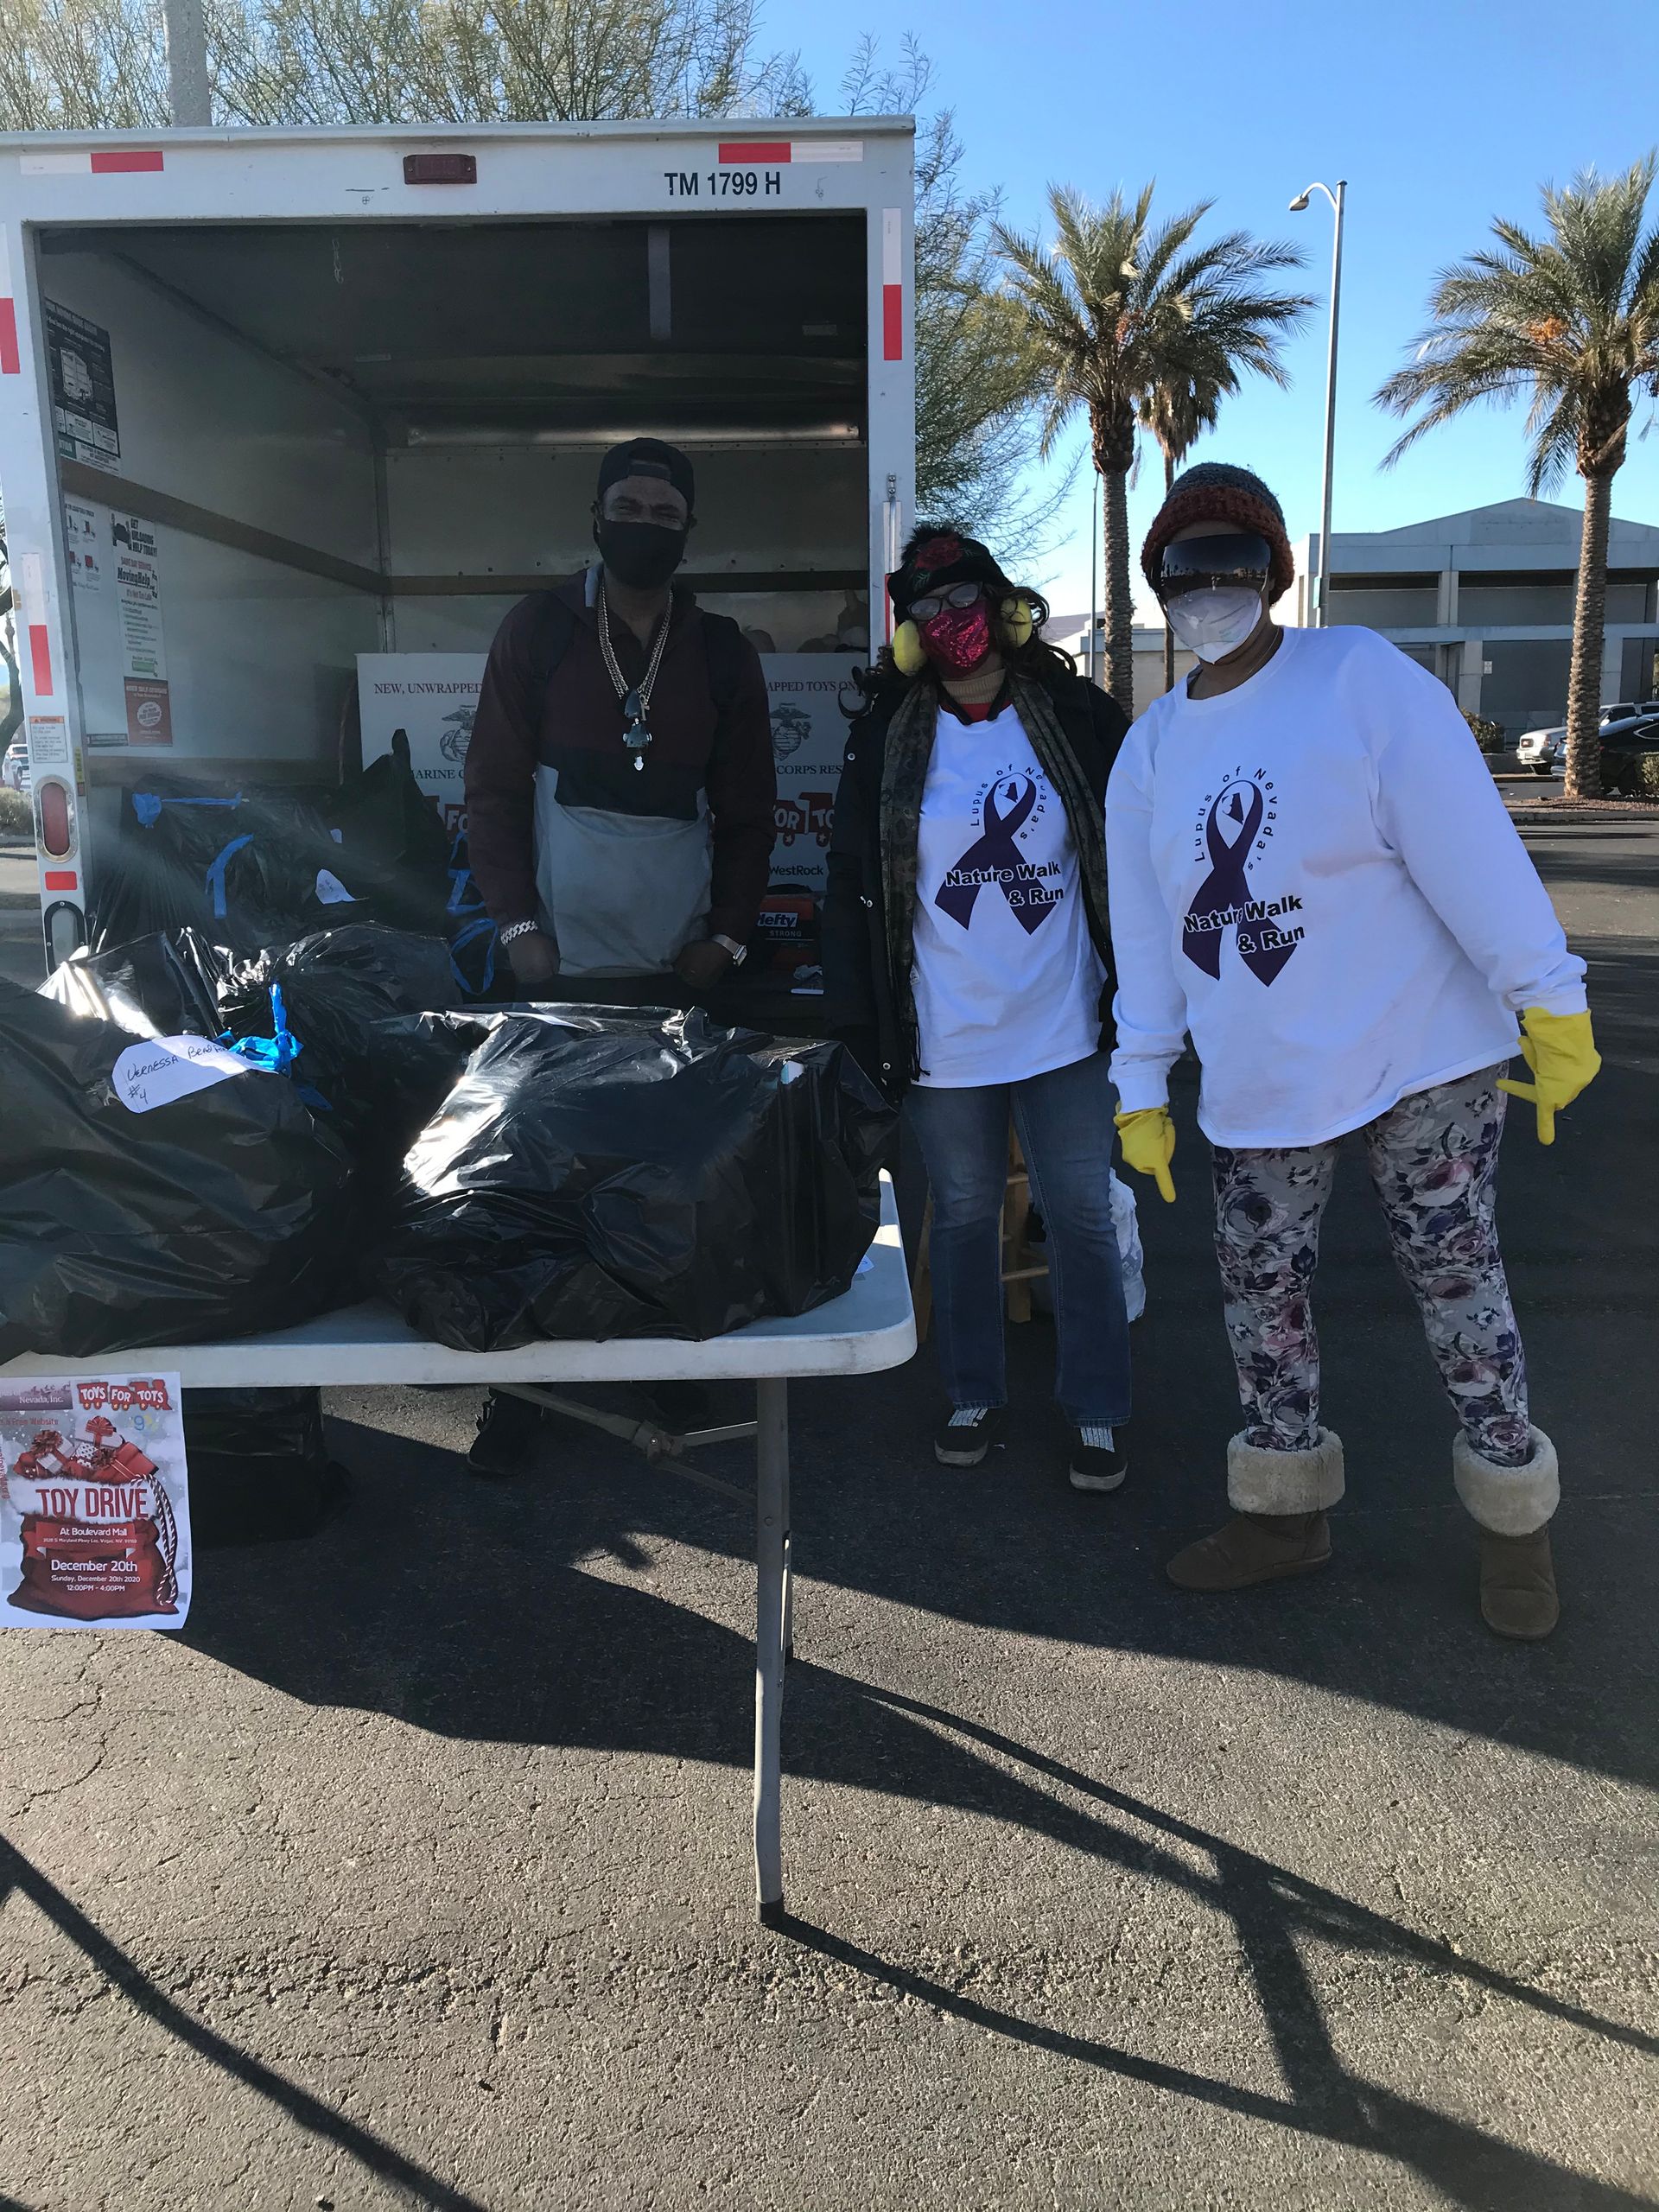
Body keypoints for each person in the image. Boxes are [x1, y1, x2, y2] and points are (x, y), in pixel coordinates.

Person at [1106, 461, 1599, 1638]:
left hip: (1418, 1057)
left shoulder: (1361, 680)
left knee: (1458, 1288)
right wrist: (1140, 1083)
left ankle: (1514, 1526)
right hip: (1261, 1078)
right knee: (1258, 1299)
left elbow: (1468, 845)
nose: (1206, 584)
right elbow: (1146, 933)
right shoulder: (1152, 753)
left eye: (1231, 560)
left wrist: (1549, 995)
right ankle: (1284, 1512)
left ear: (1274, 571)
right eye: (1181, 566)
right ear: (1157, 585)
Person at [461, 436, 778, 1472]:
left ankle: (664, 1366)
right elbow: (494, 792)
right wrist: (516, 926)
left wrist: (725, 936)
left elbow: (748, 812)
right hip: (555, 963)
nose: (645, 522)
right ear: (596, 518)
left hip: (673, 969)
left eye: (664, 509)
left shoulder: (723, 651)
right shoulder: (540, 630)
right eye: (626, 505)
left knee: (668, 1178)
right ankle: (522, 1388)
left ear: (689, 530)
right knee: (535, 1181)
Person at [823, 527, 1134, 1491]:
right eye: (927, 613)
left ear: (1002, 609)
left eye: (964, 603)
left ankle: (1098, 1405)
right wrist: (863, 1031)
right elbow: (849, 886)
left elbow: (1140, 849)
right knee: (957, 1214)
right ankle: (973, 1392)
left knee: (1080, 1212)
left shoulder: (1078, 713)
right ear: (910, 634)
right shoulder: (884, 736)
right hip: (943, 1029)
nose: (948, 624)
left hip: (1067, 1021)